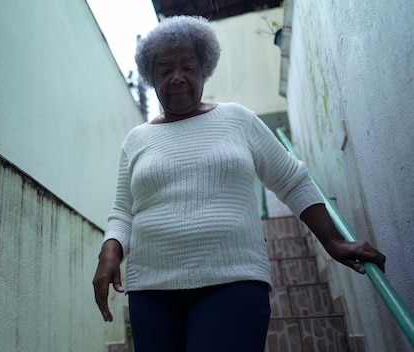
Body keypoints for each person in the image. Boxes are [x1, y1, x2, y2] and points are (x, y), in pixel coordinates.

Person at [92, 15, 386, 352]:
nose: (176, 78)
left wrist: (333, 240)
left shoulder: (237, 119)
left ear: (205, 67)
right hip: (151, 290)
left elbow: (291, 180)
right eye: (164, 71)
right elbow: (123, 212)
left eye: (187, 66)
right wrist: (109, 252)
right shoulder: (137, 140)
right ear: (151, 77)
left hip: (233, 280)